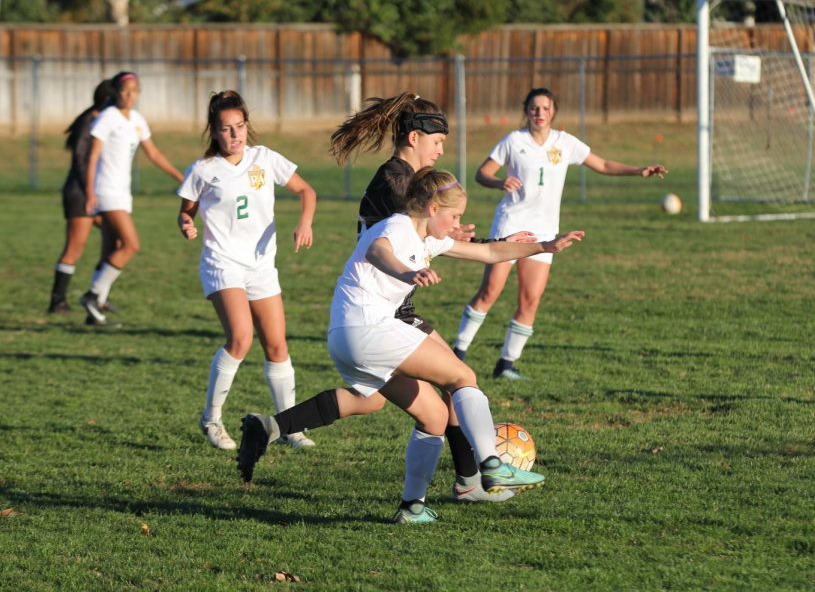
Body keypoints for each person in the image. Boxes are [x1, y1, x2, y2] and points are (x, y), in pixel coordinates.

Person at [237, 168, 585, 524]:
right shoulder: (398, 227)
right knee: (462, 376)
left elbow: (491, 252)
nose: (457, 224)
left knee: (433, 416)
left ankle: (412, 507)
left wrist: (545, 246)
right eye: (455, 216)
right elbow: (377, 250)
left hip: (347, 338)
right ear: (432, 208)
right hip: (368, 328)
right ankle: (491, 466)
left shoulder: (426, 238)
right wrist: (406, 273)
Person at [331, 92, 520, 502]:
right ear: (415, 137)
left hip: (387, 306)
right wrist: (441, 237)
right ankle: (474, 477)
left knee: (443, 399)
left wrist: (457, 233)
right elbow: (392, 241)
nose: (440, 151)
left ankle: (454, 486)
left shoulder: (408, 181)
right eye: (437, 143)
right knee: (455, 380)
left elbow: (441, 234)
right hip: (383, 310)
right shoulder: (396, 180)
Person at [453, 87, 667, 379]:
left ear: (553, 111)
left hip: (544, 231)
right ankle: (459, 353)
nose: (539, 113)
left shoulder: (565, 143)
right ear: (526, 110)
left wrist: (638, 170)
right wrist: (498, 182)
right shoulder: (514, 141)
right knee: (490, 291)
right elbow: (482, 173)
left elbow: (602, 164)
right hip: (510, 224)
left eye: (545, 108)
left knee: (530, 299)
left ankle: (506, 364)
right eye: (534, 108)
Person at [177, 91, 317, 451]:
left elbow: (306, 191)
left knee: (276, 344)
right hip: (222, 262)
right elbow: (186, 209)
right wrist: (186, 223)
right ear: (214, 131)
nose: (235, 135)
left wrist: (305, 222)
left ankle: (290, 426)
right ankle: (211, 420)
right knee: (240, 338)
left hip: (261, 265)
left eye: (240, 126)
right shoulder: (203, 170)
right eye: (226, 129)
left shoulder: (264, 158)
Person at [79, 71, 183, 326]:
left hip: (122, 192)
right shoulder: (107, 117)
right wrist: (90, 192)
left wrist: (182, 178)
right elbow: (92, 157)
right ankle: (92, 296)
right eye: (125, 91)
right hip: (106, 191)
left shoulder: (137, 119)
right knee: (131, 245)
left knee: (110, 249)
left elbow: (154, 154)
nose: (129, 95)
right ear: (116, 92)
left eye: (134, 91)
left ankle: (96, 310)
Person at [47, 79, 114, 314]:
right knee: (74, 248)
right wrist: (90, 193)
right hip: (82, 194)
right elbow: (81, 160)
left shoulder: (101, 119)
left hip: (93, 193)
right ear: (108, 99)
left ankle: (98, 295)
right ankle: (57, 302)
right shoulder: (91, 121)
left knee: (115, 240)